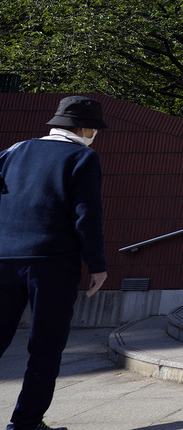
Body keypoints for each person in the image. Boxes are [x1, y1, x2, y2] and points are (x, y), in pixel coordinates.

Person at [0, 95, 108, 430]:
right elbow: (86, 217)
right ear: (86, 128)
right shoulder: (82, 157)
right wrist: (97, 264)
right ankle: (26, 423)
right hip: (52, 261)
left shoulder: (14, 150)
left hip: (3, 257)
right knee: (45, 347)